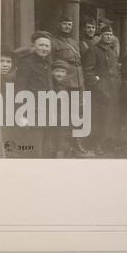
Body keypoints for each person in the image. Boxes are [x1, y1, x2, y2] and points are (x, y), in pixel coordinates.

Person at [52, 15, 90, 156]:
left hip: (79, 82)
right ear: (59, 25)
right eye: (65, 24)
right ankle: (63, 145)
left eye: (69, 24)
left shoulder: (74, 42)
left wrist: (82, 82)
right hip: (65, 83)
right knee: (63, 114)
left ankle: (76, 142)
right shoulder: (54, 42)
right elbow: (52, 64)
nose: (67, 26)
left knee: (78, 113)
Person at [82, 25, 121, 155]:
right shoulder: (93, 50)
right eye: (106, 34)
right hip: (99, 91)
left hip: (113, 89)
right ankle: (97, 144)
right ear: (101, 36)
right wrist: (97, 87)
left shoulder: (112, 50)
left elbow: (116, 69)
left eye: (110, 35)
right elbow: (88, 71)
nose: (108, 37)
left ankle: (107, 142)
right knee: (98, 118)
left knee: (111, 117)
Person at [15, 31, 53, 158]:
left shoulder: (47, 62)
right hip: (32, 110)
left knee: (46, 147)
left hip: (46, 110)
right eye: (41, 45)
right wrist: (21, 114)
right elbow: (20, 89)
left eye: (47, 46)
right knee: (35, 149)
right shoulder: (26, 63)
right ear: (34, 46)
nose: (44, 48)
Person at [49, 59, 73, 158]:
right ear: (52, 72)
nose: (59, 74)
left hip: (62, 117)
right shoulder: (49, 85)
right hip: (51, 116)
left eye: (62, 72)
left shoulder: (67, 86)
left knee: (61, 137)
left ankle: (60, 153)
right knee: (51, 138)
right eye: (57, 71)